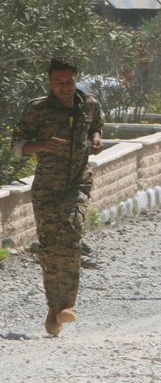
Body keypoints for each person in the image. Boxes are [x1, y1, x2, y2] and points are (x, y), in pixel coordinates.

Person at [11, 57, 104, 336]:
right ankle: (54, 308)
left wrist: (96, 138)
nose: (65, 87)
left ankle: (67, 305)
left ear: (76, 79)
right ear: (50, 83)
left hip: (78, 183)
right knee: (50, 247)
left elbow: (96, 126)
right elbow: (17, 146)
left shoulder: (89, 104)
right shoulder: (37, 109)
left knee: (72, 233)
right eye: (58, 82)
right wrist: (42, 145)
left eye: (69, 81)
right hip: (47, 189)